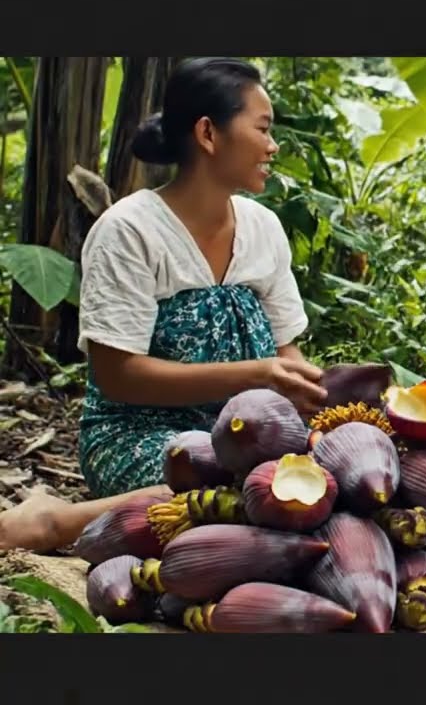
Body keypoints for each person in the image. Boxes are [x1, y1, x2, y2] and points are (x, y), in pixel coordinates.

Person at [0, 57, 327, 553]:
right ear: (208, 134)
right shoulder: (129, 231)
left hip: (250, 441)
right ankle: (56, 523)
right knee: (235, 497)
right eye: (263, 129)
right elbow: (116, 376)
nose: (273, 145)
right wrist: (257, 376)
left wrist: (311, 394)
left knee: (319, 484)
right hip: (142, 435)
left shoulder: (264, 228)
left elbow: (287, 351)